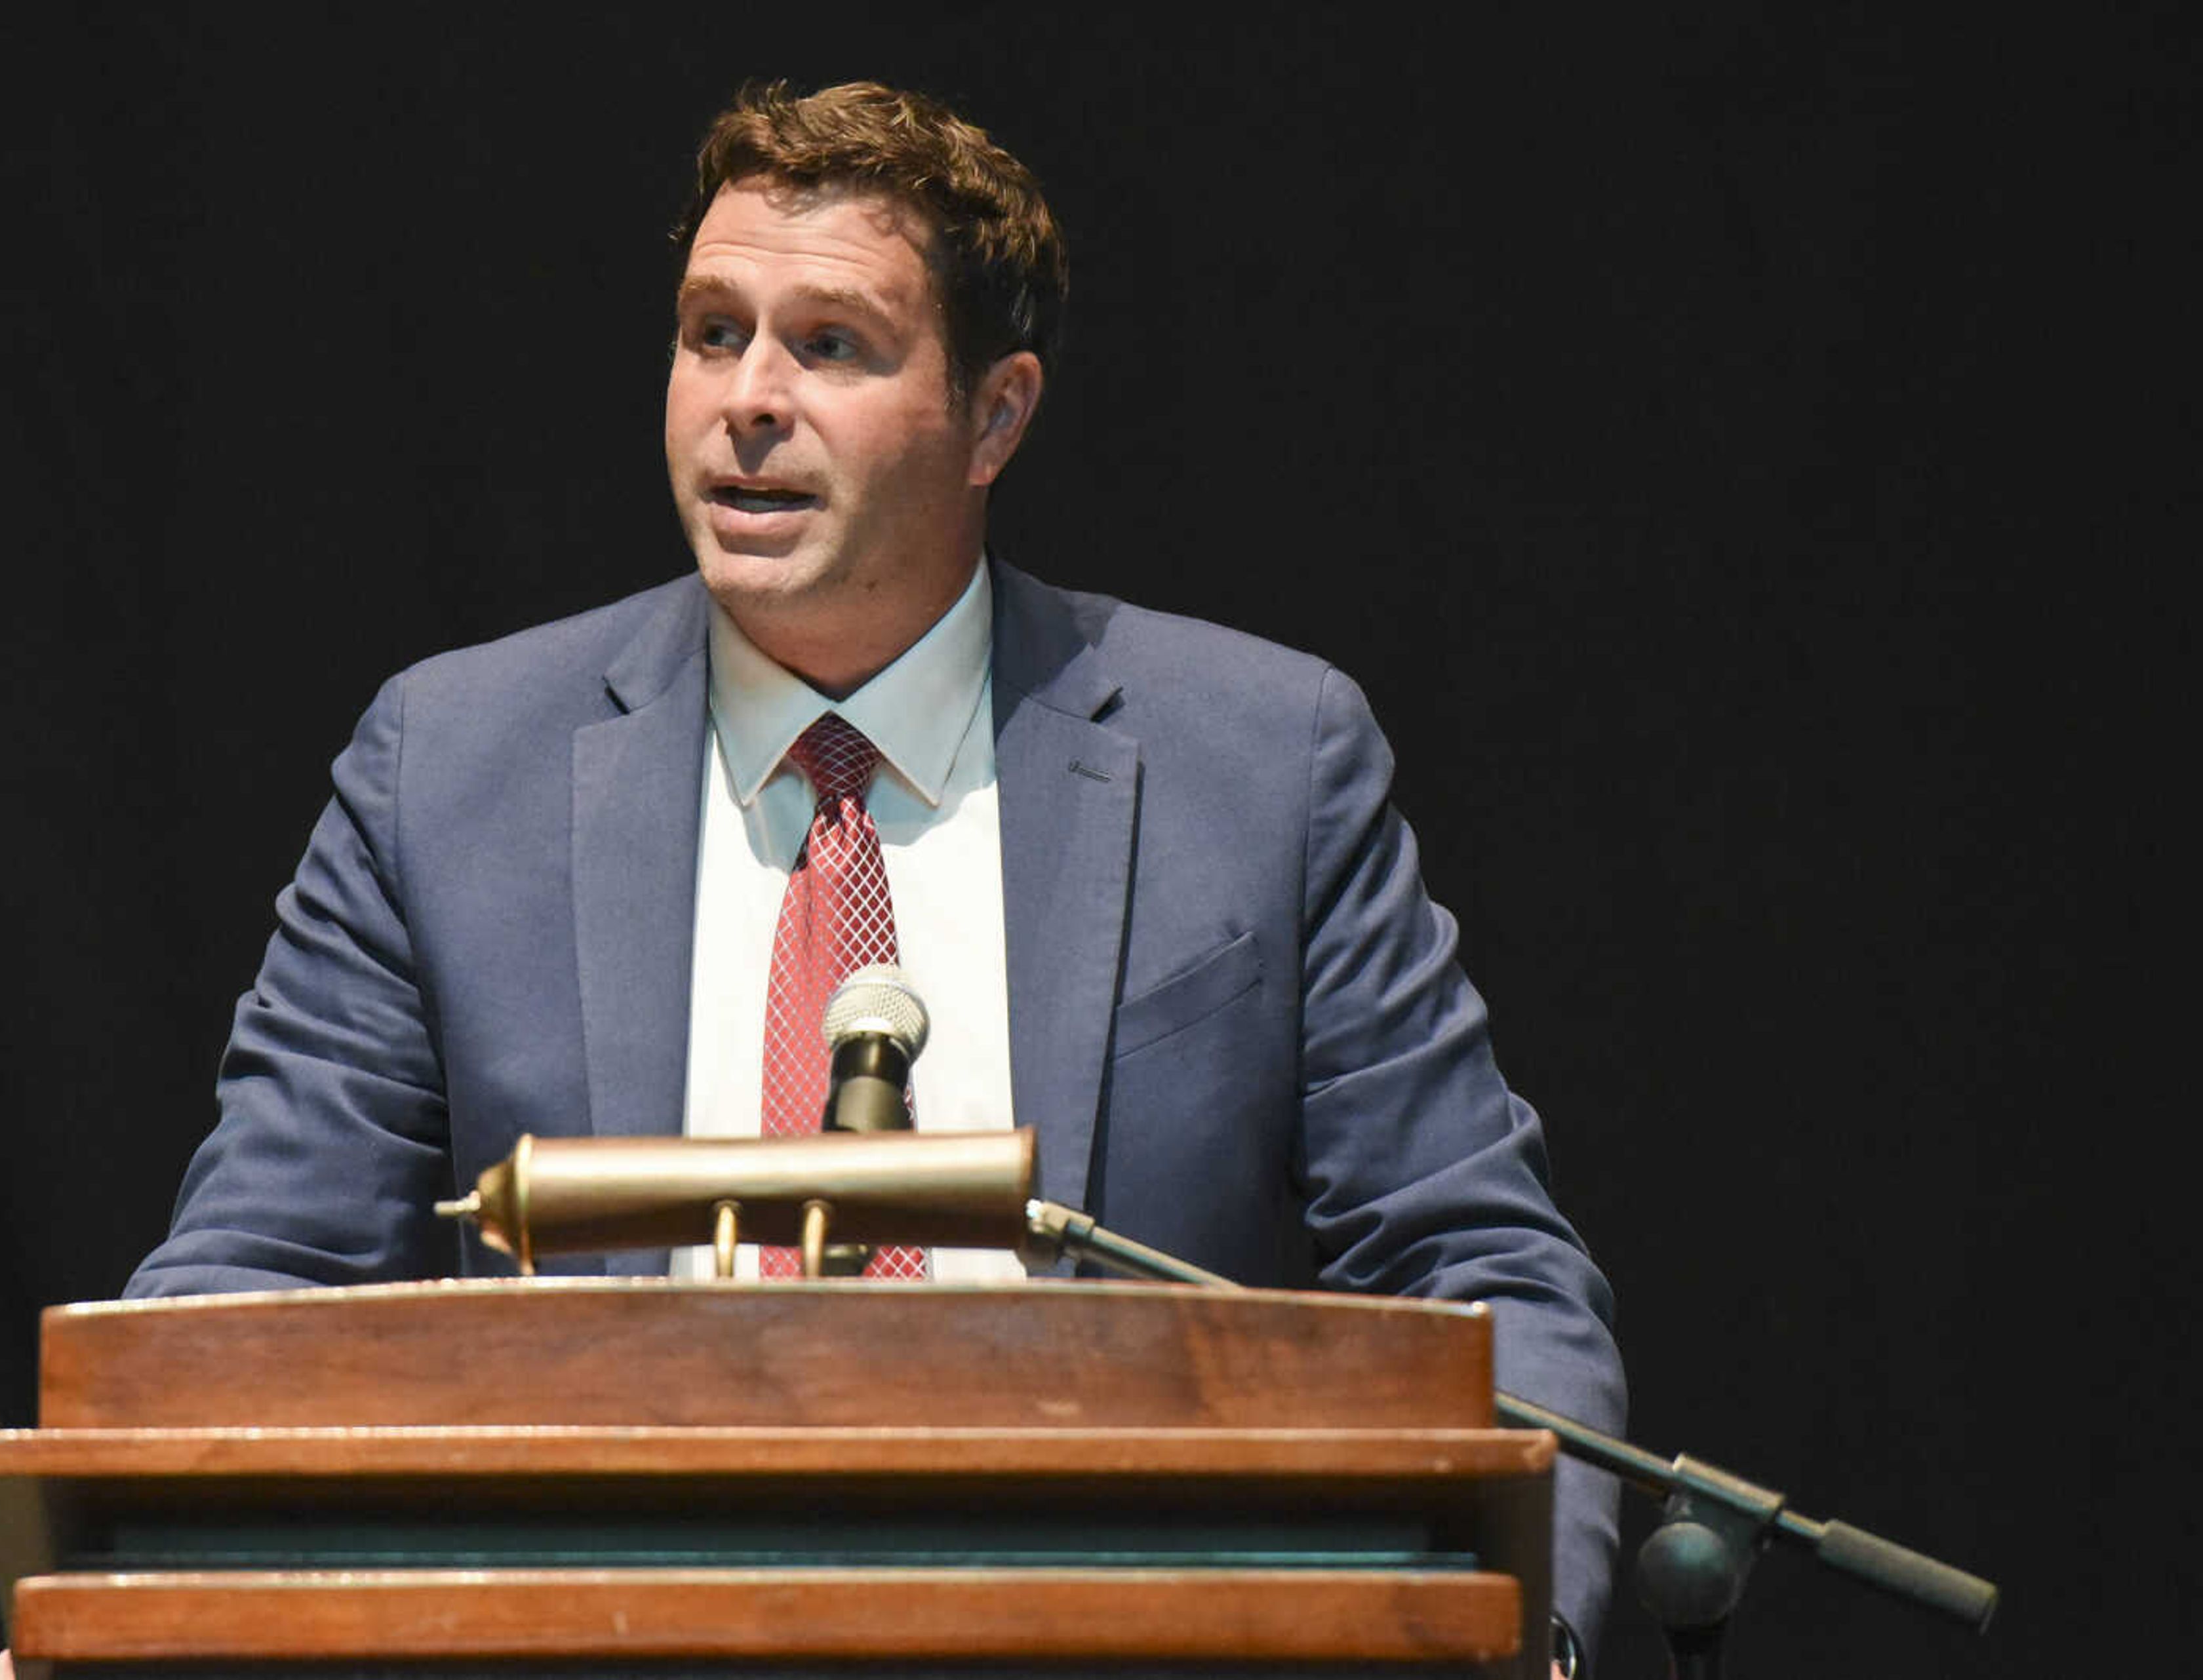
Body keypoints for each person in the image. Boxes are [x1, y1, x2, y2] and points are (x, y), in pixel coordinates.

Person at [121, 80, 1625, 1673]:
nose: (747, 400)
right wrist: (125, 1592)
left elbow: (1483, 1274)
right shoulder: (451, 768)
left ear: (996, 416)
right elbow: (255, 1280)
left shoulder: (1256, 764)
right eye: (712, 332)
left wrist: (1536, 1637)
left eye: (829, 345)